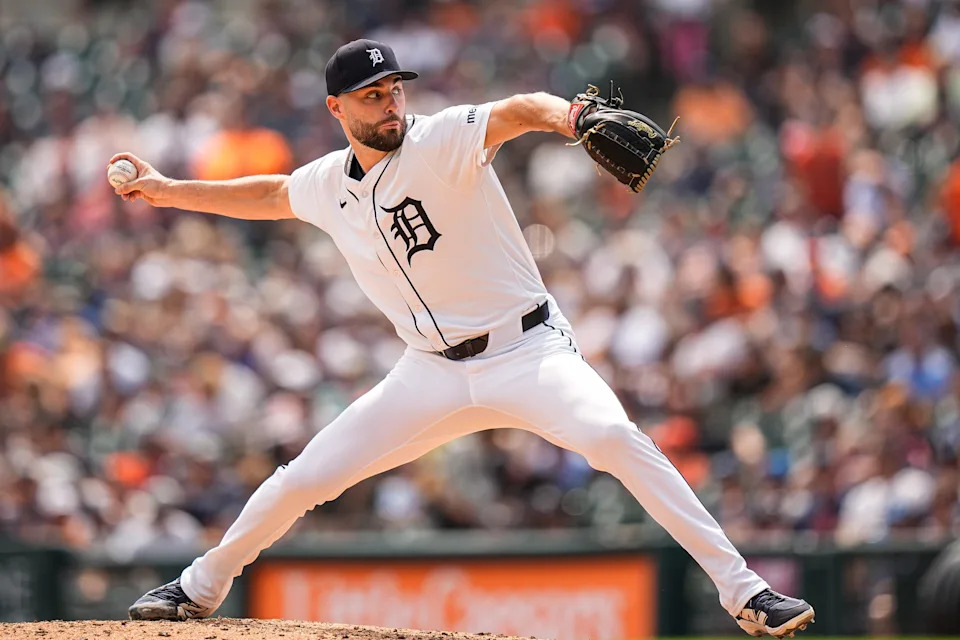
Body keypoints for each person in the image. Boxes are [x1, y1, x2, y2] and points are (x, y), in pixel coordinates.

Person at [115, 39, 814, 638]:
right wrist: (169, 190)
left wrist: (574, 115)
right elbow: (270, 194)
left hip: (527, 352)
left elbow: (516, 111)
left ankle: (745, 592)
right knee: (304, 478)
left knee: (613, 439)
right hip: (429, 374)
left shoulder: (442, 138)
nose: (389, 104)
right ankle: (198, 588)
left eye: (393, 89)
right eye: (370, 96)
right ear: (337, 109)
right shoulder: (329, 183)